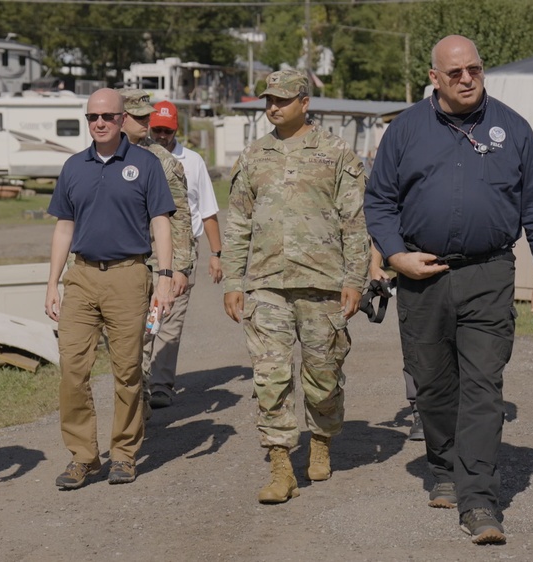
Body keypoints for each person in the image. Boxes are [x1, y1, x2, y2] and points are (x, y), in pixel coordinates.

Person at [365, 35, 533, 544]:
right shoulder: (405, 129)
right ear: (434, 77)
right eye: (454, 73)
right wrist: (394, 254)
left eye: (474, 68)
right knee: (433, 385)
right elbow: (380, 201)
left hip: (488, 274)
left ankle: (479, 500)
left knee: (482, 386)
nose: (467, 78)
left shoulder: (512, 129)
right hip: (421, 274)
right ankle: (444, 466)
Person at [222, 69, 369, 504]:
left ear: (305, 102)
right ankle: (280, 465)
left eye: (283, 100)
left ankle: (321, 437)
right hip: (266, 284)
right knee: (270, 376)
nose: (273, 107)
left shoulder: (336, 152)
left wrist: (355, 279)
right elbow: (238, 224)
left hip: (323, 282)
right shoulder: (252, 156)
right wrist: (233, 280)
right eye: (269, 100)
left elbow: (354, 222)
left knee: (323, 376)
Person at [45, 88, 176, 490]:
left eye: (106, 116)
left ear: (123, 119)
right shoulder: (73, 167)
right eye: (91, 117)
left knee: (128, 371)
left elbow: (160, 222)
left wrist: (166, 276)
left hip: (128, 276)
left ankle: (123, 453)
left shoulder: (146, 164)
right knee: (72, 370)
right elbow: (64, 226)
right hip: (81, 276)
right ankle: (84, 456)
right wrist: (52, 282)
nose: (98, 123)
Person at [115, 89, 195, 414]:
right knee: (122, 341)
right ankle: (136, 399)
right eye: (139, 116)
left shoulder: (163, 162)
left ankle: (140, 399)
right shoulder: (102, 155)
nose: (147, 122)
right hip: (114, 265)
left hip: (152, 265)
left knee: (147, 332)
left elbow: (180, 217)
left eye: (148, 115)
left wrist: (179, 267)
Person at [145, 100, 224, 409]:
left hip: (182, 252)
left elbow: (208, 211)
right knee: (147, 319)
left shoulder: (191, 161)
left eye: (167, 130)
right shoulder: (143, 157)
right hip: (146, 251)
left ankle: (161, 384)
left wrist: (216, 254)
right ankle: (138, 382)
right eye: (157, 129)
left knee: (170, 318)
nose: (162, 135)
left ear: (176, 129)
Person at [369, 245, 423, 441]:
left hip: (466, 272)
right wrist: (375, 265)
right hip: (413, 277)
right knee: (415, 347)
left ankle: (468, 412)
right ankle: (422, 413)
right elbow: (384, 217)